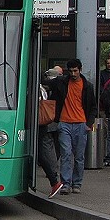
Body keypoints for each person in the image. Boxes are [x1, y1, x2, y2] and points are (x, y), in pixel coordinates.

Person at [50, 58, 96, 195]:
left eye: (75, 71)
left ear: (80, 70)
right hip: (65, 122)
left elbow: (93, 106)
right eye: (71, 71)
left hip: (80, 123)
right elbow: (47, 82)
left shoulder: (87, 86)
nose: (73, 74)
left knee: (79, 156)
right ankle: (66, 183)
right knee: (66, 153)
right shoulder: (62, 82)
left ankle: (76, 183)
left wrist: (89, 123)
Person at [38, 66, 63, 198]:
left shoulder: (38, 90)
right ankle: (54, 180)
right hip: (42, 124)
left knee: (40, 153)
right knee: (41, 151)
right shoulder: (42, 89)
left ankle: (54, 181)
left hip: (39, 124)